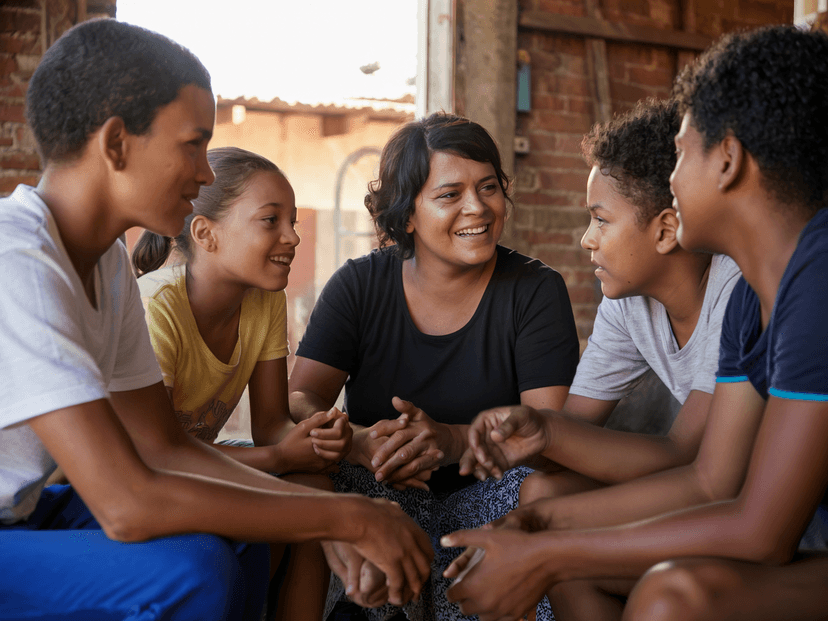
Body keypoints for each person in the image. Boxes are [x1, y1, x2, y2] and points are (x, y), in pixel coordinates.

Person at [0, 18, 432, 621]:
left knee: (241, 532)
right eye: (191, 144)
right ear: (117, 143)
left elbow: (166, 448)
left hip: (23, 513)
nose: (204, 173)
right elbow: (128, 502)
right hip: (18, 526)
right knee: (190, 573)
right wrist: (347, 516)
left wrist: (318, 513)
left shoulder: (106, 265)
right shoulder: (17, 261)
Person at [441, 24, 828, 621]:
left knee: (671, 597)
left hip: (798, 538)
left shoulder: (818, 276)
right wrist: (540, 523)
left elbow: (760, 531)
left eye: (681, 151)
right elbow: (710, 482)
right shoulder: (756, 296)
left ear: (726, 159)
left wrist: (549, 555)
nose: (671, 180)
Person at [288, 112, 580, 620]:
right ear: (406, 215)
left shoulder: (535, 290)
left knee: (550, 493)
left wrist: (452, 441)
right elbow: (300, 399)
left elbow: (552, 436)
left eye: (489, 187)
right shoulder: (358, 286)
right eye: (450, 194)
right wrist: (356, 441)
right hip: (381, 493)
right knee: (307, 478)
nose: (478, 207)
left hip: (492, 501)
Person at [132, 146, 353, 620]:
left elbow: (270, 423)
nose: (292, 236)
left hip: (199, 463)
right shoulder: (157, 307)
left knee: (314, 483)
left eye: (292, 220)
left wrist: (309, 437)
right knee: (286, 502)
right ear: (206, 233)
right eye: (270, 220)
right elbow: (159, 455)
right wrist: (277, 456)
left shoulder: (264, 299)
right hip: (142, 479)